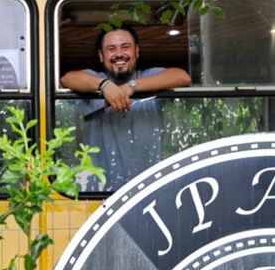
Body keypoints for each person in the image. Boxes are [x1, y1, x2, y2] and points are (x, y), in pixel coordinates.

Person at [60, 26, 190, 191]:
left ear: (136, 51)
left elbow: (182, 77)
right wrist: (104, 86)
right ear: (101, 56)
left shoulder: (149, 77)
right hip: (98, 193)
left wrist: (132, 86)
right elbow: (67, 79)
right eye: (111, 49)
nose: (119, 54)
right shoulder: (93, 80)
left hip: (147, 191)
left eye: (125, 47)